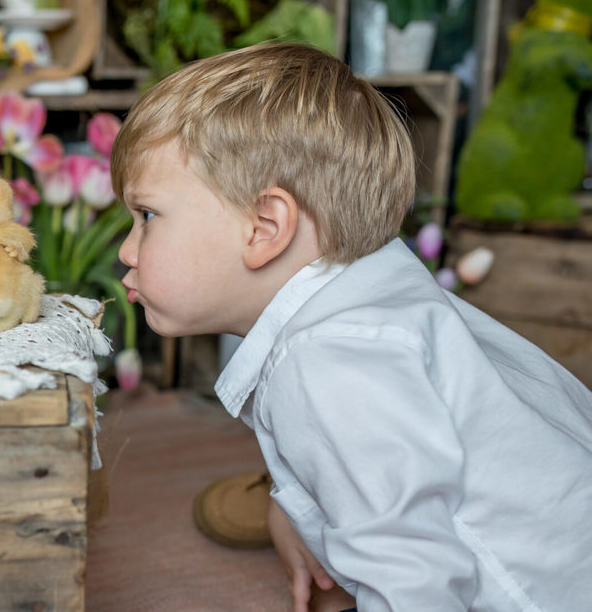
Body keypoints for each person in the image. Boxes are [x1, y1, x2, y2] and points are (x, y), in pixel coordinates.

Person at [111, 42, 592, 612]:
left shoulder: (326, 363)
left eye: (147, 216)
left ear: (265, 227)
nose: (126, 249)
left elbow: (417, 580)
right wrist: (301, 501)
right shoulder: (383, 301)